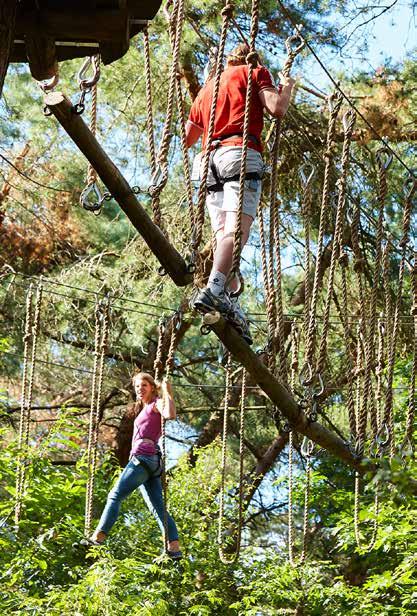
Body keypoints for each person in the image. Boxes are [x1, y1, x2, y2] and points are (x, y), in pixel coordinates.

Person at [185, 43, 295, 344]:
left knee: (224, 237)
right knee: (237, 232)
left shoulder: (209, 87)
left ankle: (229, 301)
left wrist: (210, 113)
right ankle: (214, 290)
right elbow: (277, 108)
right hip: (239, 153)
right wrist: (286, 86)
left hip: (208, 162)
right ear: (252, 59)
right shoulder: (255, 73)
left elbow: (188, 137)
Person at [88, 372, 182, 559]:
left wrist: (168, 392)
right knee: (158, 508)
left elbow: (170, 414)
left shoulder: (156, 403)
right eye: (137, 386)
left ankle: (98, 538)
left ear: (152, 387)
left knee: (115, 496)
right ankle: (174, 548)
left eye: (144, 385)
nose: (140, 389)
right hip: (150, 463)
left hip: (143, 459)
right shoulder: (145, 408)